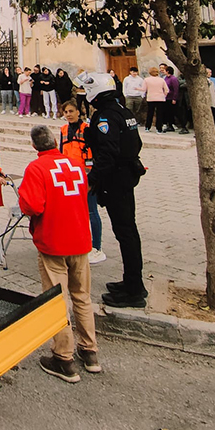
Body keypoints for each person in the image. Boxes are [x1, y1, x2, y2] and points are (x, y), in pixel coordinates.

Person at [18, 124, 100, 382]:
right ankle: (90, 352)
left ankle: (63, 358)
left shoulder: (36, 168)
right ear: (55, 141)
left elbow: (32, 205)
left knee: (57, 300)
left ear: (34, 145)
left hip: (54, 242)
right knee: (82, 296)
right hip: (80, 240)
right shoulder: (75, 164)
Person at [78, 71, 147, 308]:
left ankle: (134, 291)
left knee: (126, 233)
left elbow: (107, 154)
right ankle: (132, 281)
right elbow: (136, 143)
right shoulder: (122, 111)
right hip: (126, 177)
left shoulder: (106, 116)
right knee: (128, 232)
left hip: (116, 180)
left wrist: (92, 181)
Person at [60, 100, 105, 264]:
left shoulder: (88, 129)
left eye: (71, 111)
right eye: (66, 112)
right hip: (69, 177)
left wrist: (93, 177)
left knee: (91, 212)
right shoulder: (63, 130)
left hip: (87, 176)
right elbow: (61, 152)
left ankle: (96, 247)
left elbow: (96, 153)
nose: (69, 114)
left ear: (78, 112)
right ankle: (78, 243)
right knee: (73, 213)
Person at [143, 67, 168, 133]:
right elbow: (166, 90)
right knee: (159, 114)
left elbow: (144, 89)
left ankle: (147, 127)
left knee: (150, 113)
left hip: (151, 98)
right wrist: (164, 95)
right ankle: (159, 128)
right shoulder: (161, 80)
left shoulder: (146, 80)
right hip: (160, 98)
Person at [161, 66, 179, 132]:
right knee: (166, 112)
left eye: (164, 70)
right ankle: (168, 124)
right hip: (166, 97)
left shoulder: (173, 79)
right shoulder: (166, 78)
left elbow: (176, 89)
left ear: (168, 71)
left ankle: (173, 124)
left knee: (172, 112)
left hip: (171, 97)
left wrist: (174, 98)